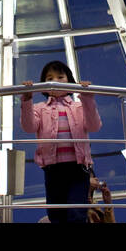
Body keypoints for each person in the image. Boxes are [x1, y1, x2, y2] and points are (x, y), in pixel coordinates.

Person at [20, 61, 102, 224]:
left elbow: (94, 125)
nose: (55, 80)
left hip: (78, 168)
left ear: (70, 81)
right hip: (53, 169)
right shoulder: (39, 108)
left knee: (77, 213)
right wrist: (27, 99)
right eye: (49, 77)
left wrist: (87, 98)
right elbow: (29, 127)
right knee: (56, 214)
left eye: (60, 76)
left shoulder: (79, 106)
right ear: (43, 85)